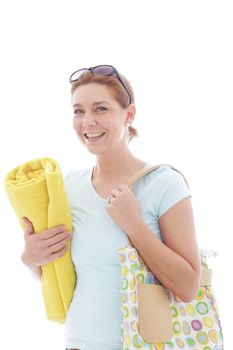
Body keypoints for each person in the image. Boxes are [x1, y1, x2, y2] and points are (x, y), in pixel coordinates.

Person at [21, 65, 201, 350]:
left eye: (101, 109)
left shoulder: (165, 184)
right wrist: (33, 261)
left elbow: (188, 286)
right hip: (78, 343)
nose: (87, 122)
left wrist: (134, 225)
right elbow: (65, 274)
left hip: (141, 345)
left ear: (129, 115)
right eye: (78, 111)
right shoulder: (69, 187)